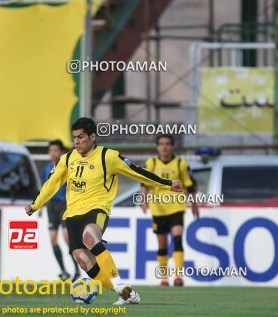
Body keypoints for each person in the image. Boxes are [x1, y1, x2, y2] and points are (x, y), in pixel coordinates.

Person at [25, 117, 182, 305]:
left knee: (90, 237)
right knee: (83, 260)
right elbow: (52, 183)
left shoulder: (108, 156)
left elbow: (138, 172)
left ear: (92, 137)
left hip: (96, 209)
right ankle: (123, 291)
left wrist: (167, 184)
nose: (77, 141)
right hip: (72, 214)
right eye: (74, 137)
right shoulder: (67, 159)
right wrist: (35, 204)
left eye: (81, 137)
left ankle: (119, 283)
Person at [141, 134, 199, 286]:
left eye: (167, 144)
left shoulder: (181, 164)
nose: (164, 147)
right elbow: (144, 183)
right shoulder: (151, 163)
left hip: (177, 207)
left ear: (172, 146)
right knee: (162, 244)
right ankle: (164, 278)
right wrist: (144, 200)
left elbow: (191, 185)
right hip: (158, 209)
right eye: (161, 144)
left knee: (177, 238)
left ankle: (179, 276)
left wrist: (194, 205)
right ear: (157, 147)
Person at [42, 140, 79, 280]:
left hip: (65, 205)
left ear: (61, 152)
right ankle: (64, 271)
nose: (53, 153)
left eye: (56, 150)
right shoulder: (46, 168)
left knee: (66, 238)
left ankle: (77, 269)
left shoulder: (68, 167)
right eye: (51, 150)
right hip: (51, 206)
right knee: (53, 239)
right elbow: (44, 188)